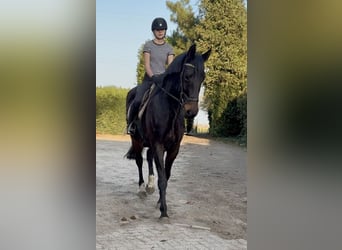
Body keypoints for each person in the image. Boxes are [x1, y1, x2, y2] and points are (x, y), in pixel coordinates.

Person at [127, 17, 175, 134]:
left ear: (165, 30)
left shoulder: (169, 48)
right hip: (149, 79)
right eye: (157, 29)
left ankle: (180, 127)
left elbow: (171, 66)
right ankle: (132, 125)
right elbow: (147, 65)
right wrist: (153, 77)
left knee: (177, 100)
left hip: (163, 82)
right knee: (138, 99)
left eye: (162, 29)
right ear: (153, 31)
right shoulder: (148, 45)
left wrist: (166, 78)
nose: (160, 31)